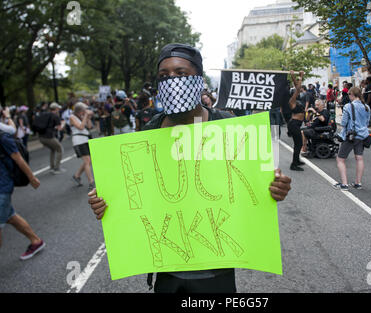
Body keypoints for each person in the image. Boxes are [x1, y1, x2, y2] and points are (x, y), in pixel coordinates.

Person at [88, 43, 292, 293]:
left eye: (180, 73)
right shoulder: (150, 130)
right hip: (167, 268)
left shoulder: (227, 126)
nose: (171, 81)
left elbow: (255, 186)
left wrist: (275, 188)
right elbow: (136, 191)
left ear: (199, 80)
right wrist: (105, 201)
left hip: (217, 268)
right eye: (164, 76)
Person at [0, 127, 44, 260]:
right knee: (10, 217)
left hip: (2, 188)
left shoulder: (3, 137)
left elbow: (18, 158)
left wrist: (32, 178)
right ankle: (36, 241)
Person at [334, 87, 371, 190]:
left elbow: (343, 123)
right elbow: (367, 122)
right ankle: (358, 183)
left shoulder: (348, 106)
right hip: (362, 136)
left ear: (352, 95)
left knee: (340, 159)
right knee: (359, 158)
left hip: (351, 136)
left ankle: (344, 184)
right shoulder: (366, 106)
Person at [70, 102, 95, 192]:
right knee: (87, 161)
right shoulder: (72, 117)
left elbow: (90, 126)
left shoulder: (82, 116)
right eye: (84, 110)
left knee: (88, 161)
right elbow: (80, 127)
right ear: (80, 110)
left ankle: (77, 176)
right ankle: (91, 182)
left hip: (85, 140)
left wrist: (88, 117)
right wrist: (85, 116)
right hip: (78, 141)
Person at [287, 70, 307, 171]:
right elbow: (298, 88)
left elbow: (297, 87)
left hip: (296, 124)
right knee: (298, 144)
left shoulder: (296, 100)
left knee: (298, 144)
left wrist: (294, 77)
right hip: (293, 125)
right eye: (295, 92)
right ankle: (294, 164)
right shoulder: (291, 101)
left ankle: (297, 160)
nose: (297, 92)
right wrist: (300, 76)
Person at [38, 102, 65, 174]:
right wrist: (63, 124)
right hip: (49, 137)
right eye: (58, 108)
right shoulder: (55, 116)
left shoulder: (45, 114)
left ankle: (52, 167)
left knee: (53, 149)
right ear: (56, 109)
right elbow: (60, 128)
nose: (59, 110)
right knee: (60, 149)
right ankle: (57, 168)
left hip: (41, 137)